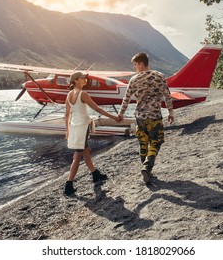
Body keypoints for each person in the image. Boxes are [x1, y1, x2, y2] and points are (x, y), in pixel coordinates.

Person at [118, 52, 174, 184]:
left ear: (142, 64)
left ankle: (147, 170)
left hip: (140, 116)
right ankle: (147, 167)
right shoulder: (159, 76)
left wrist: (121, 114)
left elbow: (126, 99)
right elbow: (167, 95)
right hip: (154, 116)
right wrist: (171, 112)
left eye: (135, 65)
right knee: (156, 142)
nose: (135, 68)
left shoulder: (133, 79)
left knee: (143, 143)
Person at [64, 71, 120, 196]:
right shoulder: (83, 94)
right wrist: (114, 118)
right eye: (82, 78)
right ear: (76, 81)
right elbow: (97, 109)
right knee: (77, 156)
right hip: (82, 127)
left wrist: (67, 130)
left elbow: (67, 114)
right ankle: (68, 184)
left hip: (75, 127)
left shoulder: (69, 95)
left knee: (86, 150)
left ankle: (95, 174)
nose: (85, 79)